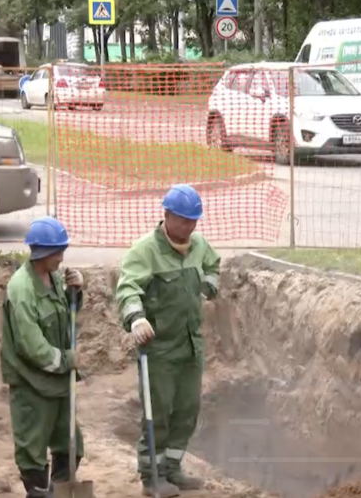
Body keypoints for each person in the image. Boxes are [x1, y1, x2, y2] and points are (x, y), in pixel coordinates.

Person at [114, 183, 221, 498]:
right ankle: (152, 476)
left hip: (190, 346)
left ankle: (173, 469)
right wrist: (137, 318)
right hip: (158, 349)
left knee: (187, 409)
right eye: (184, 220)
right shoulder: (144, 250)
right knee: (156, 413)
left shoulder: (199, 245)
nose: (190, 227)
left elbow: (213, 265)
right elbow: (127, 288)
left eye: (194, 221)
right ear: (167, 216)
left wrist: (209, 285)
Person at [0, 216, 85, 498]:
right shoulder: (21, 289)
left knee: (71, 444)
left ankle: (59, 491)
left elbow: (65, 316)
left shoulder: (54, 277)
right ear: (41, 253)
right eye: (57, 251)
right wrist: (65, 360)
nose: (62, 257)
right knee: (32, 450)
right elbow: (31, 346)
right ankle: (38, 493)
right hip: (32, 383)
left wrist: (75, 292)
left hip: (59, 382)